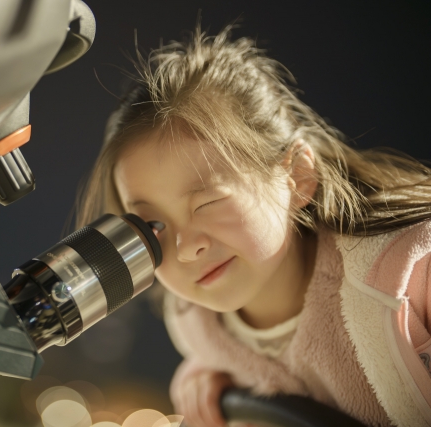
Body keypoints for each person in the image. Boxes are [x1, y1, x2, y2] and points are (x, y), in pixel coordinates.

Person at [75, 25, 431, 427]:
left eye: (207, 202)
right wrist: (202, 378)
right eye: (151, 223)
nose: (185, 247)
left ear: (297, 176)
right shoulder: (199, 330)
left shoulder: (409, 278)